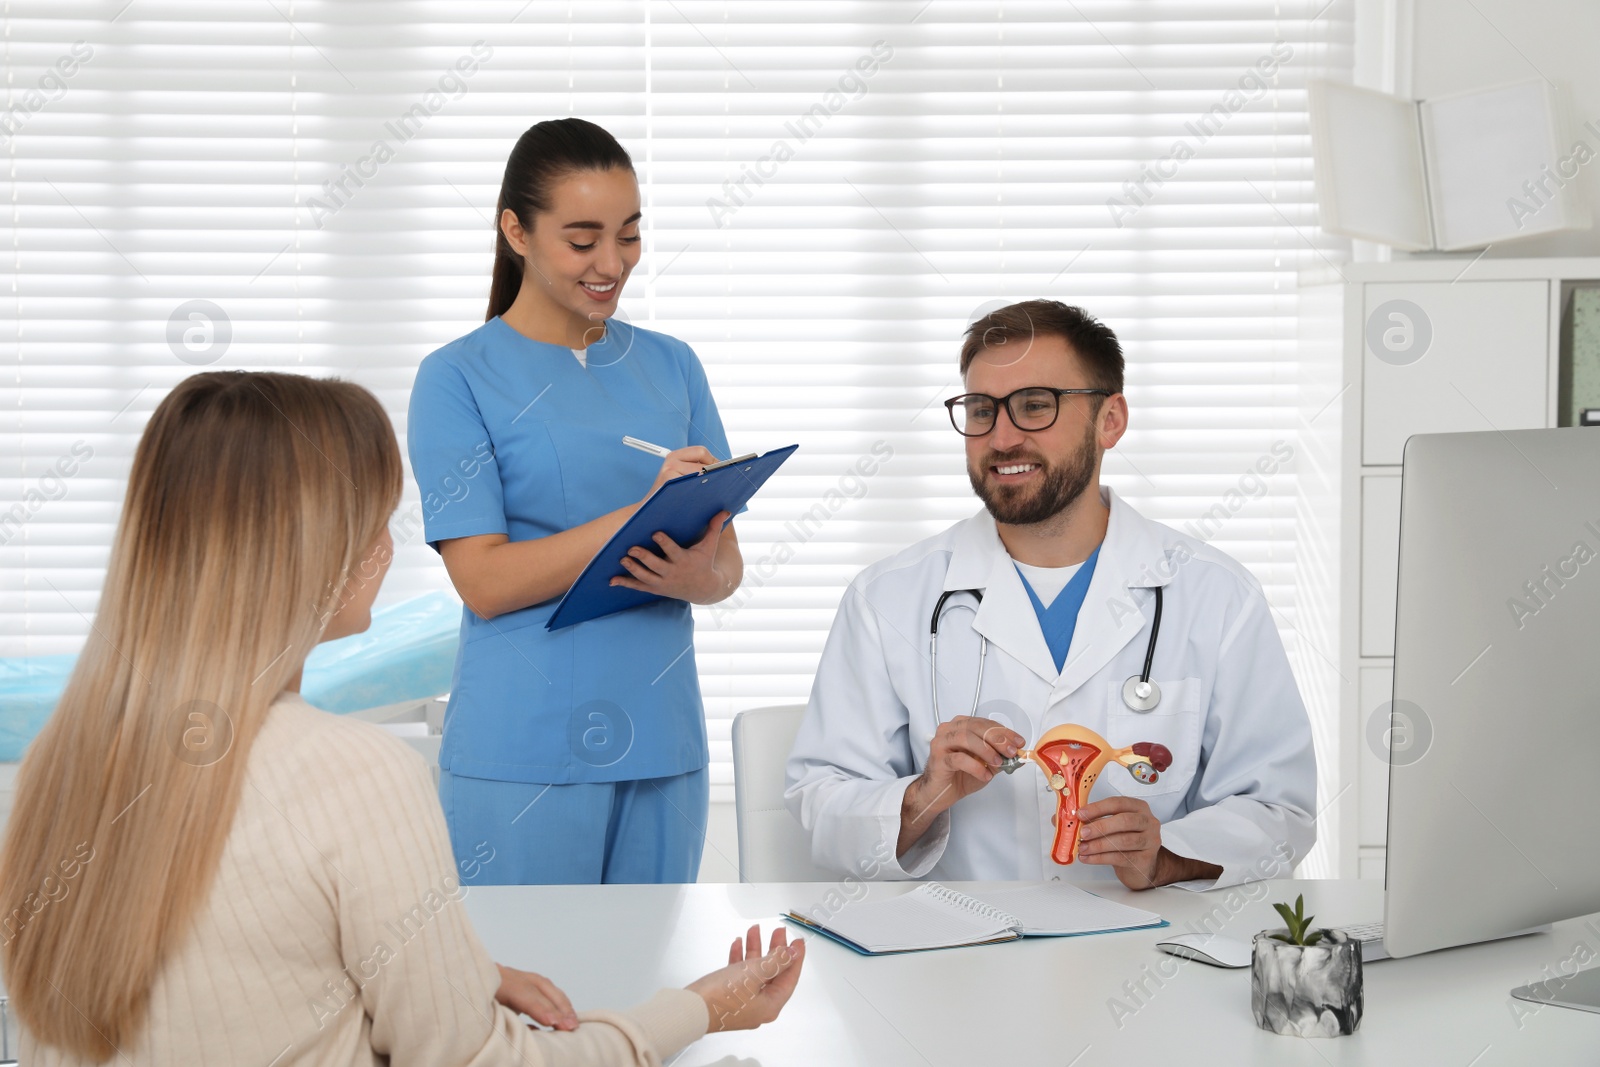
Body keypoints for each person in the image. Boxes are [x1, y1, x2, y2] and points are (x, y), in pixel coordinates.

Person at [0, 372, 802, 1066]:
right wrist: (700, 1008)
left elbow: (224, 961)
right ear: (316, 547)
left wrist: (463, 971)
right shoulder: (355, 772)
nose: (391, 543)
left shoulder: (58, 764)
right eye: (379, 516)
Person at [785, 300, 1316, 890]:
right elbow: (820, 805)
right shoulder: (887, 600)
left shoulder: (1217, 596)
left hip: (1148, 948)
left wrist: (1166, 853)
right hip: (956, 958)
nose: (1002, 437)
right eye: (981, 410)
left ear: (1110, 420)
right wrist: (922, 795)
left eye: (1035, 406)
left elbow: (1280, 811)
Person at [408, 118, 743, 885]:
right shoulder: (457, 377)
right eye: (583, 238)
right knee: (532, 1000)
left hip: (664, 746)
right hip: (522, 749)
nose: (612, 262)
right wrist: (635, 519)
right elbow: (484, 582)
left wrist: (696, 577)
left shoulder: (673, 365)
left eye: (628, 235)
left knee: (646, 998)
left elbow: (726, 566)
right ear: (515, 231)